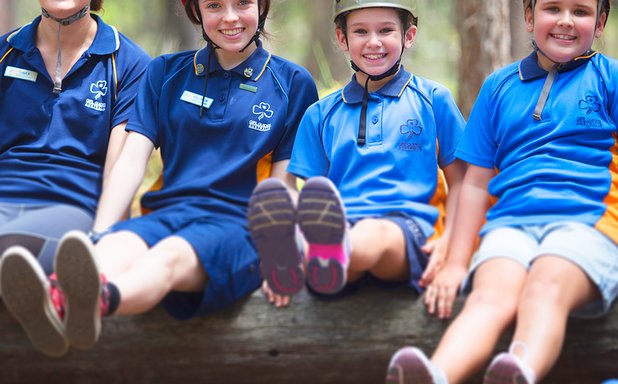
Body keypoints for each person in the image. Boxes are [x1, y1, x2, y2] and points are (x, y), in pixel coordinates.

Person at [0, 0, 318, 358]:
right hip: (166, 215)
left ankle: (96, 302)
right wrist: (99, 234)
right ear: (196, 12)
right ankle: (57, 299)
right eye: (214, 5)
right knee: (114, 247)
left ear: (262, 6)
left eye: (242, 3)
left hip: (236, 226)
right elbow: (131, 161)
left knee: (167, 257)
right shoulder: (166, 72)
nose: (230, 17)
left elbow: (282, 186)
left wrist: (279, 250)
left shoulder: (292, 83)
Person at [386, 0, 618, 383]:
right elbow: (475, 184)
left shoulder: (614, 78)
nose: (565, 21)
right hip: (510, 225)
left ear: (600, 23)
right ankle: (436, 374)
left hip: (591, 225)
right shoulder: (499, 86)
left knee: (545, 284)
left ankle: (519, 370)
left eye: (580, 12)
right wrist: (454, 264)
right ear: (529, 17)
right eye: (553, 8)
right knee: (489, 296)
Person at [247, 0, 466, 307]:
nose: (373, 42)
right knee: (340, 255)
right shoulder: (320, 114)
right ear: (342, 39)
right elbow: (311, 192)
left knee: (372, 233)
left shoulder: (433, 100)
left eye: (386, 30)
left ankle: (306, 254)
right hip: (340, 238)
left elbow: (462, 183)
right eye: (360, 31)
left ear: (409, 35)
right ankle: (300, 261)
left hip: (409, 232)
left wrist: (451, 243)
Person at [0, 1, 149, 274]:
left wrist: (101, 239)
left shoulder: (130, 64)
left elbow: (119, 172)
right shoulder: (4, 52)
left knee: (12, 258)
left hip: (71, 207)